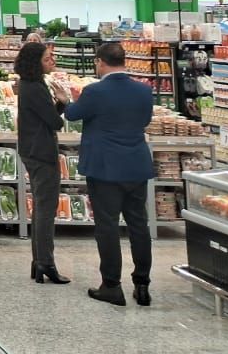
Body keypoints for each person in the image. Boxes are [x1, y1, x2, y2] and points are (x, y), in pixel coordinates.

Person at [63, 41, 154, 307]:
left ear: (100, 62)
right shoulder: (144, 90)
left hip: (104, 168)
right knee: (139, 225)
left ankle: (112, 285)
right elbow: (145, 121)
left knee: (108, 227)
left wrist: (66, 99)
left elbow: (72, 114)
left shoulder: (94, 91)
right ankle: (142, 284)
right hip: (136, 165)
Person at [14, 41, 71, 286]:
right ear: (35, 63)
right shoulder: (35, 88)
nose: (53, 61)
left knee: (41, 207)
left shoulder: (29, 85)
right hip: (41, 152)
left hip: (32, 149)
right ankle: (46, 262)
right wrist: (63, 102)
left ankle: (39, 261)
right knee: (46, 209)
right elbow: (55, 122)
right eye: (48, 58)